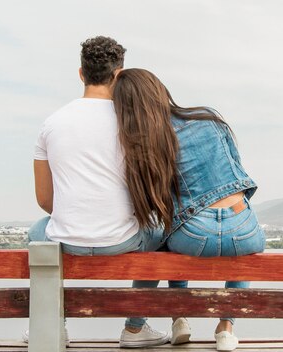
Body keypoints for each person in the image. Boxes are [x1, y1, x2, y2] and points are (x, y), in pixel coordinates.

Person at [29, 36, 180, 348]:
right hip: (123, 240)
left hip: (66, 239)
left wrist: (78, 220)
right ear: (119, 74)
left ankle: (51, 324)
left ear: (81, 74)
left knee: (35, 232)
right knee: (163, 233)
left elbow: (45, 200)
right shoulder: (133, 121)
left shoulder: (51, 124)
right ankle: (135, 328)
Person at [112, 68, 266, 352]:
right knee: (243, 247)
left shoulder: (147, 144)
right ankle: (226, 329)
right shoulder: (208, 116)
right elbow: (237, 176)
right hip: (243, 230)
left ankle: (164, 320)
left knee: (162, 237)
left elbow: (156, 208)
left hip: (194, 237)